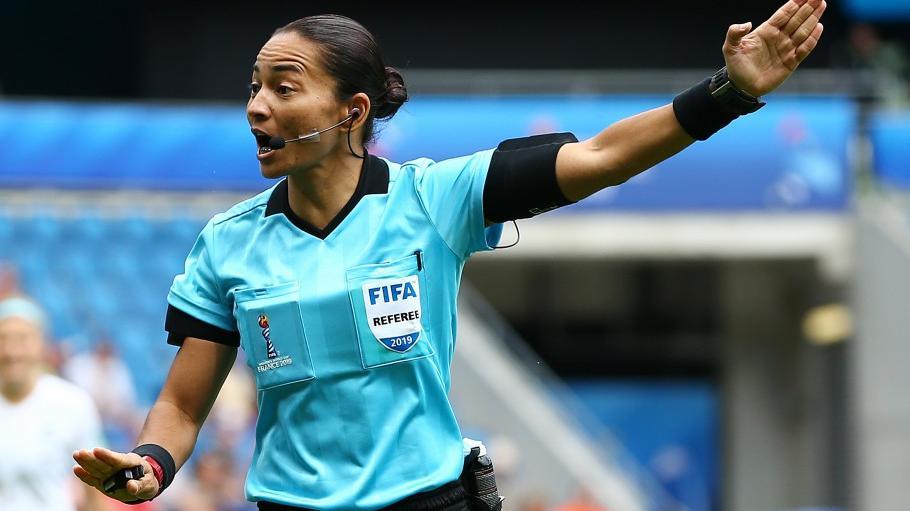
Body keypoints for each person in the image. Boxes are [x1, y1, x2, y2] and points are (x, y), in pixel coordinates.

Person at [73, 2, 826, 510]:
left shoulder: (438, 198)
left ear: (351, 112)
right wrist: (153, 464)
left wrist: (729, 92)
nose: (256, 106)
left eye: (283, 87)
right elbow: (179, 403)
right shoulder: (227, 242)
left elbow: (598, 157)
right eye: (253, 87)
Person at [0, 296, 107, 511]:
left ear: (41, 344)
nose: (12, 352)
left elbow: (95, 490)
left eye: (23, 339)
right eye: (4, 339)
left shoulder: (72, 404)